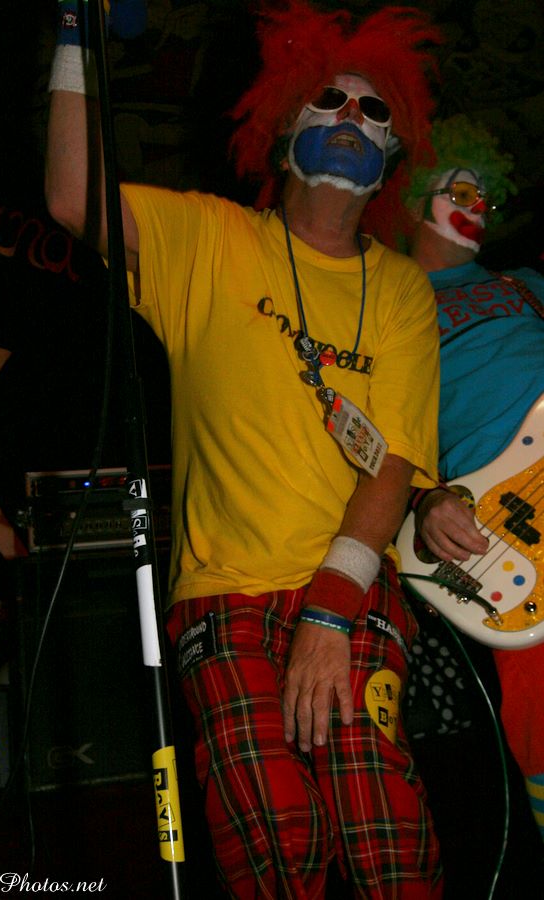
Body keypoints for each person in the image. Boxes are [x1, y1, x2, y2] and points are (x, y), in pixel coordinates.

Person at [45, 1, 445, 895]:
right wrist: (76, 32)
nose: (352, 116)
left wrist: (329, 613)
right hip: (223, 595)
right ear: (283, 124)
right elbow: (73, 197)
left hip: (350, 588)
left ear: (393, 154)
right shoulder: (208, 239)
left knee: (383, 833)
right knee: (273, 835)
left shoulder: (402, 290)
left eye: (375, 110)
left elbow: (394, 465)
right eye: (332, 98)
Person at [393, 113, 544, 844]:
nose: (477, 206)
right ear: (412, 198)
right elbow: (366, 441)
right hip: (509, 528)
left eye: (486, 194)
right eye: (460, 191)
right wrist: (423, 500)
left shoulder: (527, 284)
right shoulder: (382, 306)